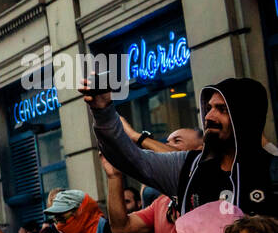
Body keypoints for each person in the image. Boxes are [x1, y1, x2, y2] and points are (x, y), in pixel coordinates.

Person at [86, 76, 277, 217]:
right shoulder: (188, 168)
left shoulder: (273, 171)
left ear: (246, 118)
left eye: (222, 110)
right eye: (209, 108)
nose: (209, 117)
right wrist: (102, 110)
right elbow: (129, 159)